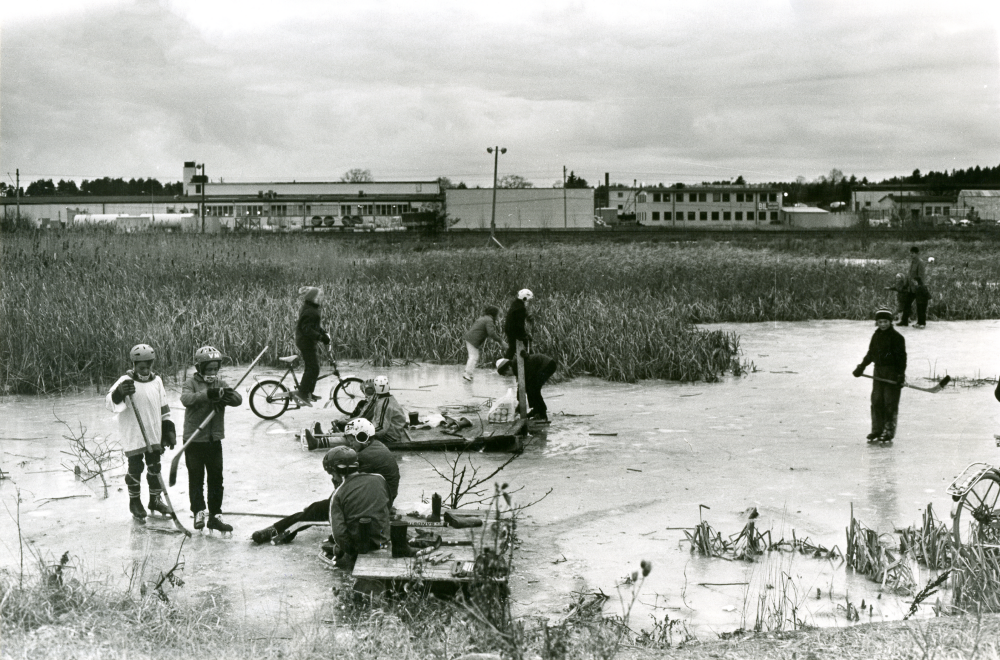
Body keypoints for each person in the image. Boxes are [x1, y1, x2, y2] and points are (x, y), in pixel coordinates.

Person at [253, 419, 400, 545]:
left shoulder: (363, 456)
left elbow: (343, 489)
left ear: (362, 437)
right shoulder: (375, 447)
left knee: (317, 509)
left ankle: (276, 530)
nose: (350, 444)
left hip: (374, 501)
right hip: (382, 499)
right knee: (319, 507)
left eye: (351, 440)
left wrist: (330, 501)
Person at [106, 344, 176, 522]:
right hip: (134, 433)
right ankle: (135, 502)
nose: (145, 370)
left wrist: (168, 429)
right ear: (134, 364)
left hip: (153, 433)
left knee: (155, 468)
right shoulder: (125, 380)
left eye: (148, 367)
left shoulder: (157, 381)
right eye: (141, 367)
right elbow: (109, 403)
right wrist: (119, 393)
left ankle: (155, 500)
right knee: (135, 468)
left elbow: (164, 408)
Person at [181, 345, 242, 534]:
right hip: (194, 439)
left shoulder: (220, 384)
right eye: (208, 370)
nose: (212, 373)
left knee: (216, 478)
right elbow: (186, 399)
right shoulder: (190, 383)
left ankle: (215, 515)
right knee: (196, 478)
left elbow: (238, 400)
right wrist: (207, 395)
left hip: (214, 440)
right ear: (200, 368)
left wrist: (229, 397)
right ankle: (199, 511)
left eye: (215, 369)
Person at [327, 446, 390, 570]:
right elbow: (387, 505)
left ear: (337, 471)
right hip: (383, 540)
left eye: (332, 474)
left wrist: (351, 550)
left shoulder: (338, 494)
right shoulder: (379, 478)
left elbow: (339, 534)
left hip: (361, 548)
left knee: (336, 543)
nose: (333, 478)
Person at [853, 309, 907, 442]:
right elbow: (871, 353)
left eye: (885, 322)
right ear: (876, 322)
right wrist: (862, 366)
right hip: (878, 371)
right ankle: (877, 430)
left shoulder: (897, 337)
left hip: (892, 372)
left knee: (890, 402)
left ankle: (888, 431)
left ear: (890, 322)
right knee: (876, 401)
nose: (883, 324)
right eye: (880, 322)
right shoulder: (876, 336)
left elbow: (901, 358)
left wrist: (900, 374)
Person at [335, 376, 407, 443]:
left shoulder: (383, 404)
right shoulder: (386, 399)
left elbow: (381, 429)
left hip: (390, 436)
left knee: (351, 433)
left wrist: (361, 434)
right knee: (350, 429)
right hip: (392, 431)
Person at [295, 286, 333, 405]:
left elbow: (314, 326)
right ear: (312, 298)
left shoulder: (311, 308)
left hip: (306, 341)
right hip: (305, 342)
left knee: (312, 367)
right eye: (318, 297)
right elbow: (307, 329)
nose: (321, 298)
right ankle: (302, 393)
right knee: (313, 368)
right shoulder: (310, 311)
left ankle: (308, 392)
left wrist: (323, 332)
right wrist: (320, 337)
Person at [496, 352, 558, 423]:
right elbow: (521, 386)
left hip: (547, 365)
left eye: (506, 374)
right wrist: (519, 402)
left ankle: (540, 413)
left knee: (533, 388)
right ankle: (538, 411)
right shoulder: (516, 366)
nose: (507, 376)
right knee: (532, 388)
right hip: (546, 365)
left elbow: (521, 386)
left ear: (509, 367)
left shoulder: (517, 366)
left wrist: (519, 405)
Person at [462, 305, 506, 382]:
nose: (498, 316)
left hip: (470, 339)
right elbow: (491, 333)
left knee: (473, 356)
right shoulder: (489, 320)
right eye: (497, 314)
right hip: (473, 340)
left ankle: (469, 374)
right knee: (473, 357)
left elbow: (485, 331)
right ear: (494, 314)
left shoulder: (484, 318)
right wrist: (501, 341)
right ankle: (467, 374)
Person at [899, 247, 930, 328]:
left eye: (912, 253)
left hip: (918, 289)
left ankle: (921, 323)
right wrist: (906, 285)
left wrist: (919, 287)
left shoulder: (920, 263)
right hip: (911, 288)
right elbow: (909, 275)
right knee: (907, 304)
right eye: (910, 253)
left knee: (920, 306)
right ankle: (904, 321)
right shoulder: (912, 262)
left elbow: (921, 276)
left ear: (917, 254)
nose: (911, 255)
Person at [503, 289, 534, 361]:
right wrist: (524, 335)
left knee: (512, 348)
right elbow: (519, 324)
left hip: (509, 329)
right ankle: (532, 361)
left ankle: (505, 364)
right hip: (513, 330)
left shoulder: (516, 304)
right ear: (525, 298)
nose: (528, 302)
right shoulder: (521, 309)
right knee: (524, 345)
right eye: (528, 300)